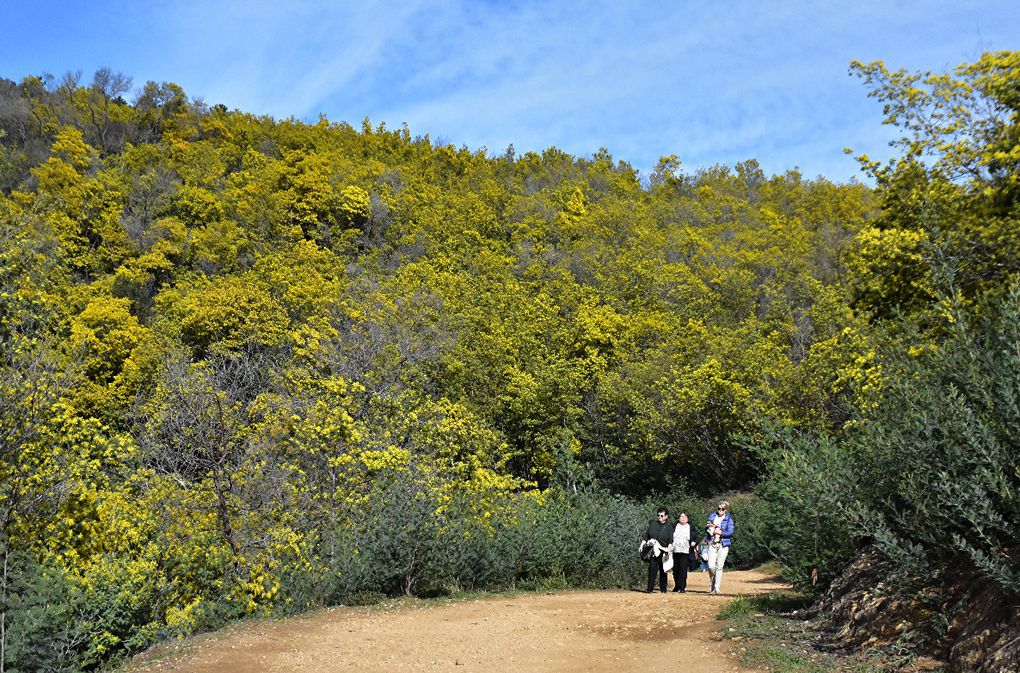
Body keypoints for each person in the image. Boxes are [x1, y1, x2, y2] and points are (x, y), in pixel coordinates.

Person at [639, 507, 674, 593]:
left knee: (663, 570)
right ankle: (649, 589)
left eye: (662, 515)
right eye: (658, 515)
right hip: (654, 550)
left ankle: (663, 589)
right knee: (652, 568)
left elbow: (670, 540)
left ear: (666, 516)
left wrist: (669, 549)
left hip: (664, 551)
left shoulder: (669, 527)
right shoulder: (653, 524)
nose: (659, 517)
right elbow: (646, 536)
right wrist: (641, 545)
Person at [705, 500, 734, 594]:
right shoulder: (712, 516)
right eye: (719, 508)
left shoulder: (729, 519)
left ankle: (717, 587)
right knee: (711, 566)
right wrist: (710, 530)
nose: (720, 510)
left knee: (719, 567)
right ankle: (712, 581)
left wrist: (721, 533)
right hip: (712, 543)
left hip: (723, 544)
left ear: (726, 510)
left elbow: (730, 532)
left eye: (722, 509)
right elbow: (707, 526)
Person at [670, 511, 697, 592]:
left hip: (685, 551)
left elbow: (696, 537)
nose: (683, 518)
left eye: (685, 517)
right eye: (681, 516)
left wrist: (694, 542)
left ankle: (682, 587)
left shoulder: (690, 527)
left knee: (683, 569)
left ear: (688, 519)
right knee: (675, 569)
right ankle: (677, 585)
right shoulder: (674, 526)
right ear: (679, 518)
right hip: (675, 550)